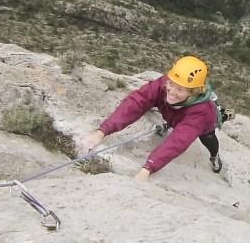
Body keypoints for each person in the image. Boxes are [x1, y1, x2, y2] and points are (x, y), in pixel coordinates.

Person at [79, 55, 223, 182]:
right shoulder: (164, 83)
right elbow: (137, 102)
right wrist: (101, 132)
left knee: (208, 138)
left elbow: (178, 142)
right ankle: (171, 120)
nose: (172, 91)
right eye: (171, 84)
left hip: (204, 124)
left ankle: (214, 157)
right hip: (174, 113)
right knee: (164, 103)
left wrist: (148, 168)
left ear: (193, 93)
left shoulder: (200, 113)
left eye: (180, 89)